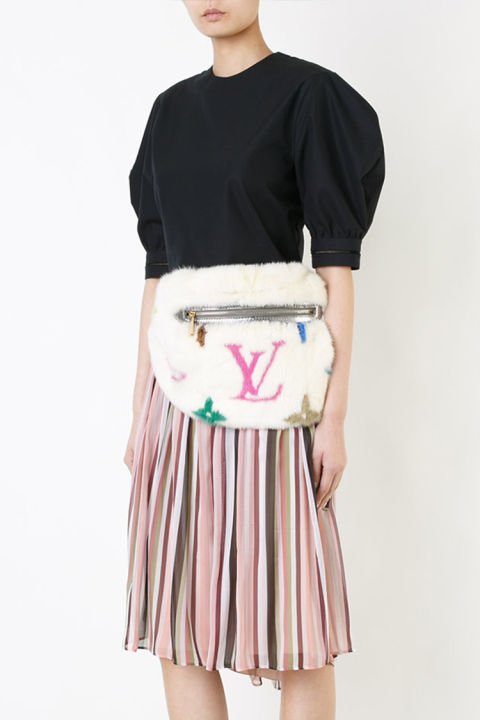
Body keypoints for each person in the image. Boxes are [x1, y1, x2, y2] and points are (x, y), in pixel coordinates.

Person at [123, 1, 385, 718]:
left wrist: (334, 419)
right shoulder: (169, 113)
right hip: (178, 394)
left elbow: (335, 267)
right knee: (177, 623)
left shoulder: (309, 96)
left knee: (296, 621)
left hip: (276, 392)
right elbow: (158, 277)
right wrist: (139, 410)